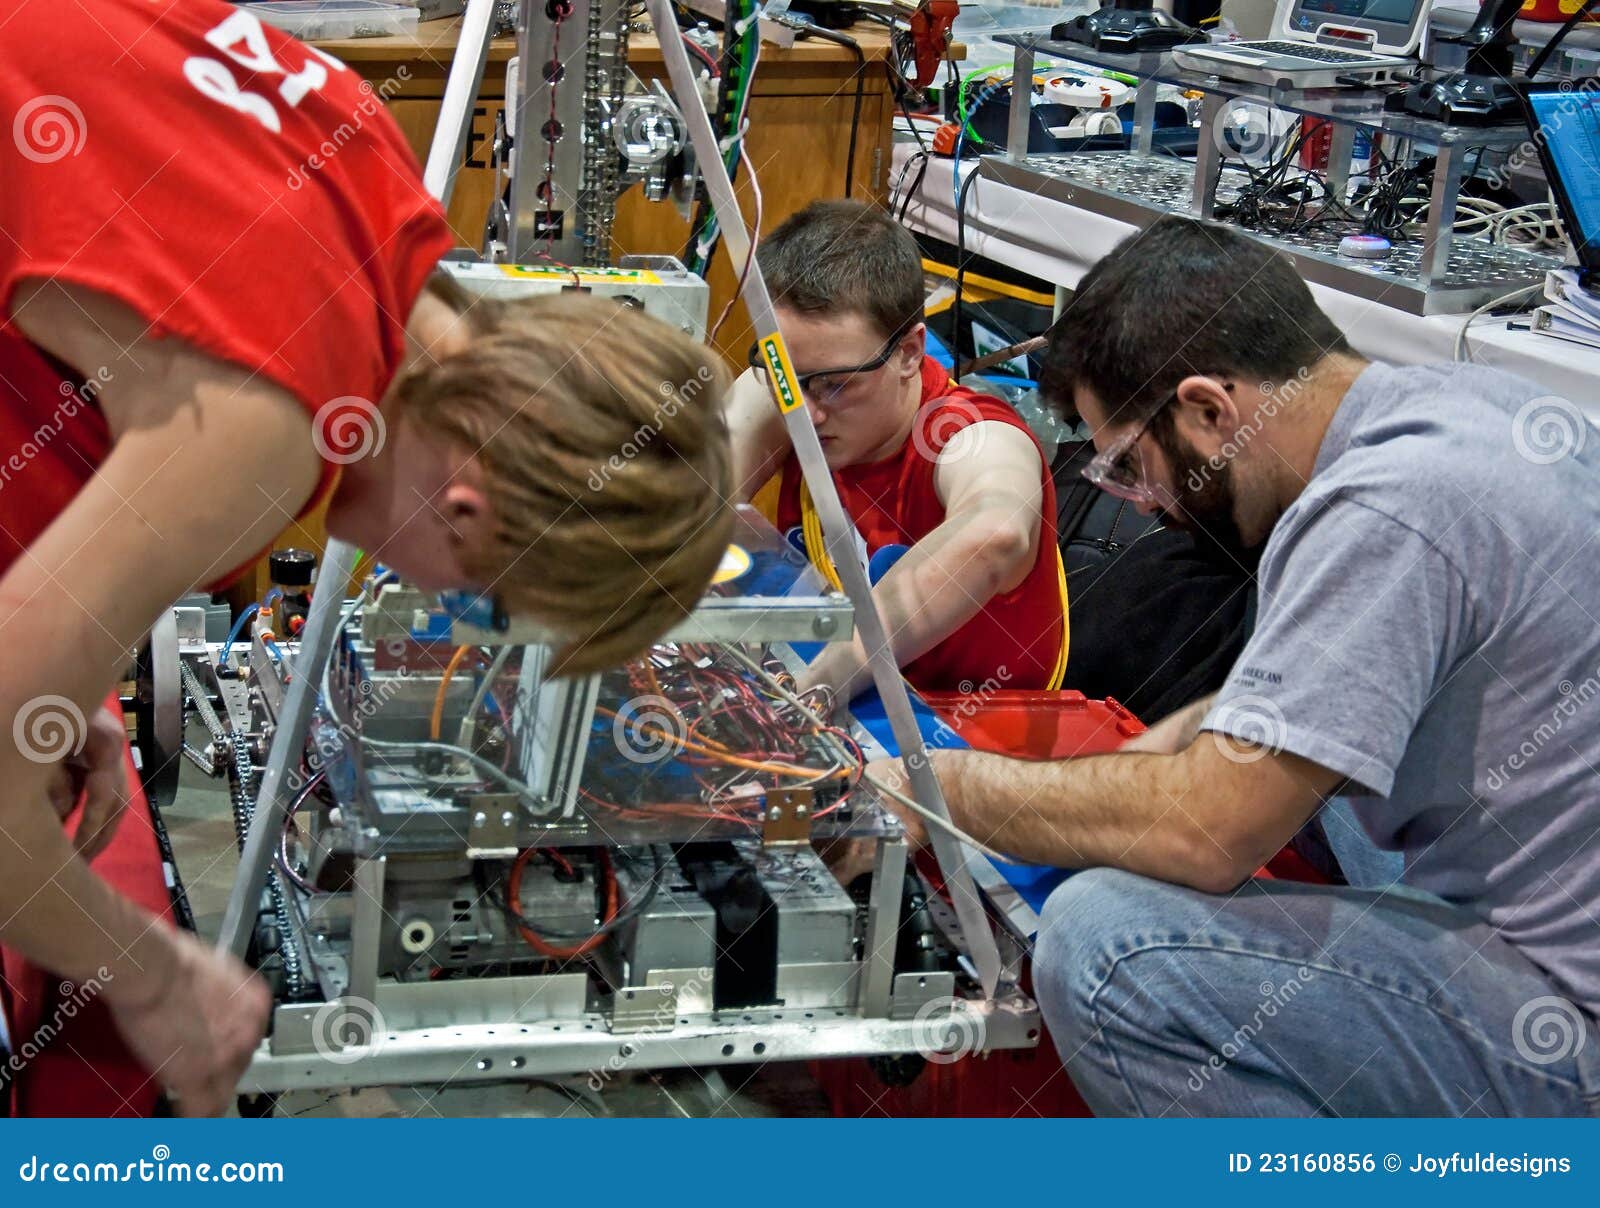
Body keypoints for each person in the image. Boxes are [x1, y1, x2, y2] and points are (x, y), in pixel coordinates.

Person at [1, 0, 731, 1115]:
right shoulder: (271, 423)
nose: (435, 605)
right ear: (473, 511)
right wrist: (148, 974)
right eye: (483, 608)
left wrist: (49, 676)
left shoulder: (374, 182)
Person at [871, 215, 1600, 1116]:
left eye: (1135, 469)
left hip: (1568, 1021)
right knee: (1323, 787)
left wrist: (936, 788)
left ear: (1209, 409)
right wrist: (1099, 784)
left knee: (1106, 950)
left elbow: (1206, 835)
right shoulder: (1456, 407)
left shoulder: (1386, 508)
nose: (1150, 506)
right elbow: (1278, 703)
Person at [726, 200, 1067, 702]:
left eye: (836, 385)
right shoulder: (795, 390)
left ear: (909, 352)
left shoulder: (972, 435)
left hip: (973, 735)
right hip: (851, 710)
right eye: (786, 380)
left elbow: (994, 531)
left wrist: (815, 689)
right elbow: (680, 504)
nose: (807, 414)